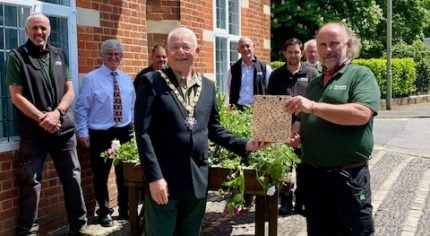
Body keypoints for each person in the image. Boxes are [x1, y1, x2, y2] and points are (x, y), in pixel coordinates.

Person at [134, 27, 268, 236]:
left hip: (196, 181)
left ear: (196, 51)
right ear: (167, 52)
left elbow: (214, 129)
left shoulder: (207, 86)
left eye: (186, 47)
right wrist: (154, 177)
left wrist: (245, 143)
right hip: (164, 180)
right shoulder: (152, 82)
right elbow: (143, 133)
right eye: (174, 47)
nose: (180, 52)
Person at [285, 22, 380, 235]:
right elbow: (301, 120)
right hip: (313, 178)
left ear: (348, 45)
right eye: (323, 44)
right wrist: (295, 133)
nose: (328, 50)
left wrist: (314, 106)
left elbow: (361, 113)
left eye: (334, 43)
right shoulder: (315, 83)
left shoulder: (360, 75)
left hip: (348, 178)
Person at [7, 13, 87, 235]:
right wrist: (43, 118)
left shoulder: (59, 53)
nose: (39, 32)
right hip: (34, 131)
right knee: (31, 182)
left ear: (49, 30)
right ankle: (27, 232)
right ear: (26, 31)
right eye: (34, 28)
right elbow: (16, 96)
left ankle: (79, 227)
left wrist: (57, 113)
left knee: (73, 176)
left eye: (43, 28)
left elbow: (70, 90)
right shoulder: (17, 56)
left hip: (63, 128)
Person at [75, 39, 136, 227]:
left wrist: (133, 127)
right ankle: (104, 212)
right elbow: (81, 108)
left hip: (124, 131)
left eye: (117, 54)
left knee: (124, 173)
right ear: (102, 56)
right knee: (101, 174)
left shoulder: (126, 78)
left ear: (121, 56)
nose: (113, 57)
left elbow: (132, 105)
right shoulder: (91, 79)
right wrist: (82, 133)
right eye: (109, 54)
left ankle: (125, 209)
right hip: (101, 133)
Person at [267, 38, 317, 216]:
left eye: (296, 52)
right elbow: (270, 103)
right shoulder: (276, 75)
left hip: (306, 130)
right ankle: (286, 202)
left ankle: (302, 202)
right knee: (284, 168)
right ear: (284, 53)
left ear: (301, 53)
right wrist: (283, 128)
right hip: (283, 129)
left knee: (304, 168)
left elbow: (317, 101)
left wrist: (300, 121)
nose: (293, 55)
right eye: (290, 52)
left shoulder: (312, 74)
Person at [228, 36, 272, 109]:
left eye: (248, 46)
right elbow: (230, 90)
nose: (245, 49)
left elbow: (270, 90)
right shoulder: (233, 69)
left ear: (253, 47)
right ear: (238, 50)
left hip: (259, 109)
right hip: (238, 110)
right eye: (242, 47)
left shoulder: (265, 68)